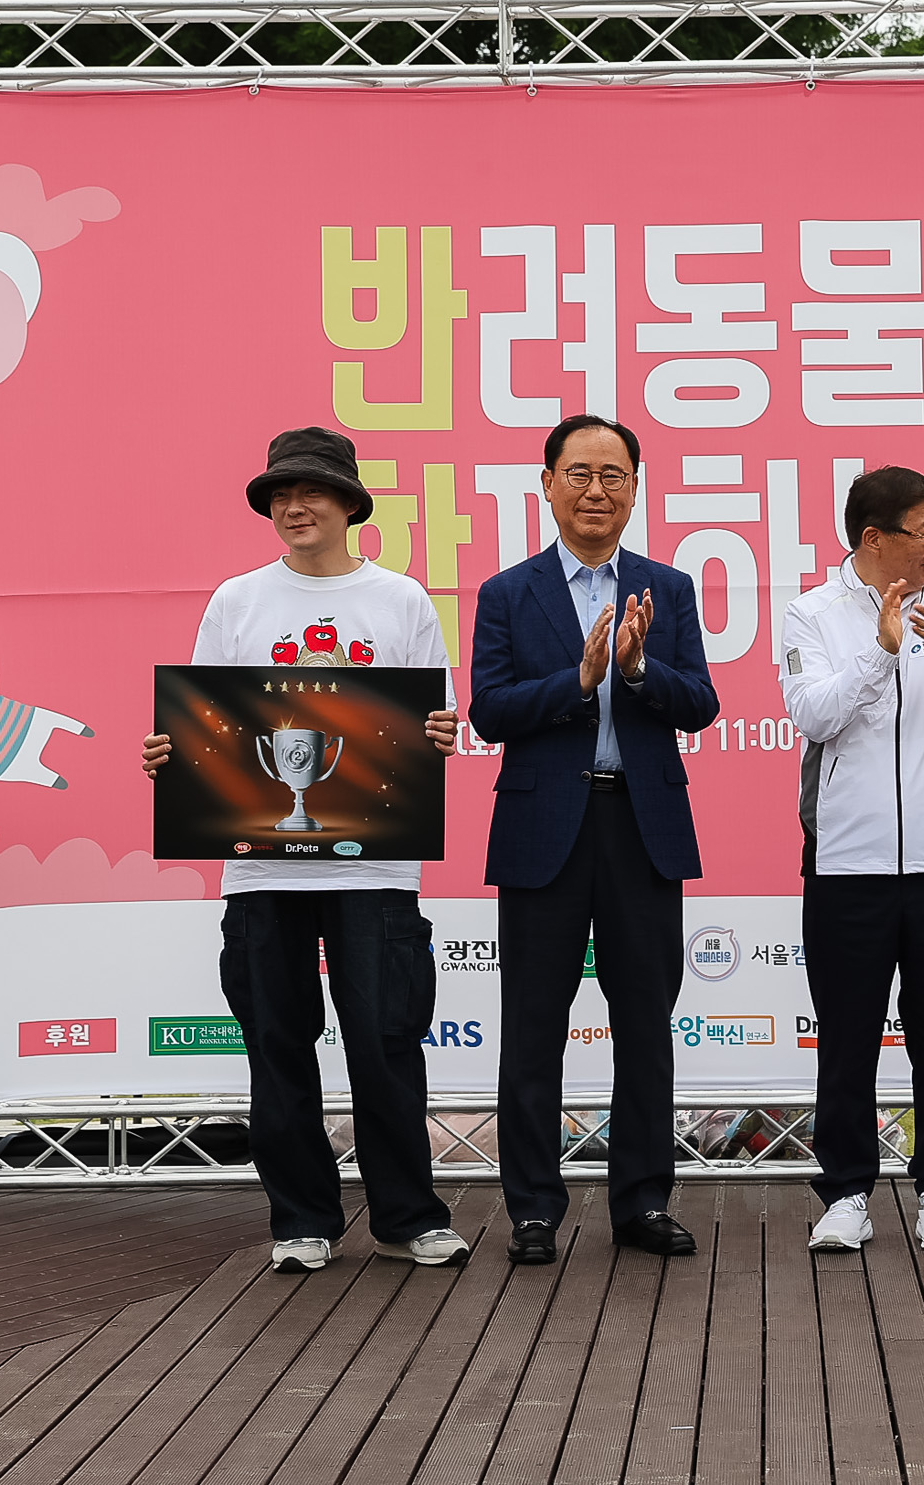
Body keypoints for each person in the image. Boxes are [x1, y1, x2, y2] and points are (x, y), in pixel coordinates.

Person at [141, 426, 466, 1275]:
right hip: (260, 865)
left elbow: (436, 728)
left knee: (385, 1039)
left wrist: (439, 732)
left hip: (377, 865)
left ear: (351, 503)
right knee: (277, 1042)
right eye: (281, 494)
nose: (295, 505)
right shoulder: (237, 601)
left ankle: (407, 1214)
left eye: (313, 491)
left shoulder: (400, 601)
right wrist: (171, 753)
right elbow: (208, 727)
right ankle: (301, 1218)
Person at [469, 414, 721, 1266]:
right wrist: (575, 682)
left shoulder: (668, 587)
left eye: (613, 475)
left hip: (641, 825)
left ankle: (643, 1201)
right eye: (579, 473)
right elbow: (491, 709)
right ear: (546, 484)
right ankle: (535, 1209)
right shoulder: (509, 592)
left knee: (646, 1025)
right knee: (532, 1027)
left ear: (635, 488)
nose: (595, 491)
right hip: (544, 829)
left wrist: (641, 671)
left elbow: (701, 704)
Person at [783, 466, 924, 1254]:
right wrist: (881, 653)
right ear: (875, 537)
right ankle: (845, 1191)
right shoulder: (811, 611)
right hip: (847, 864)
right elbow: (813, 715)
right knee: (847, 1037)